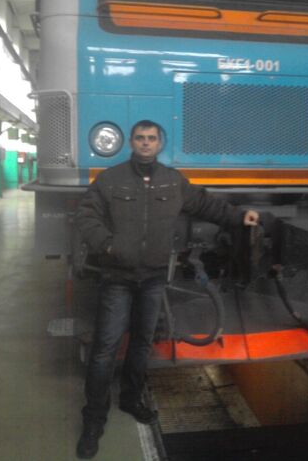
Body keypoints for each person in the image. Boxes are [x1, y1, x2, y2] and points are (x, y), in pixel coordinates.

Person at [75, 119, 259, 459]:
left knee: (142, 343)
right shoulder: (111, 179)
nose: (146, 143)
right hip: (117, 277)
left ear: (160, 144)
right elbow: (86, 215)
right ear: (131, 142)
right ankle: (94, 419)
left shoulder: (172, 181)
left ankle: (131, 400)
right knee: (105, 349)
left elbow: (206, 204)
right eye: (140, 138)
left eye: (151, 138)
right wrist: (108, 245)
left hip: (153, 277)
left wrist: (239, 216)